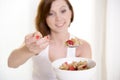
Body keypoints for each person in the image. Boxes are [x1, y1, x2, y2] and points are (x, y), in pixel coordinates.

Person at [8, 0, 92, 80]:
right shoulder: (38, 42)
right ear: (44, 18)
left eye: (63, 11)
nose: (58, 18)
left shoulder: (83, 46)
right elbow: (11, 63)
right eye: (51, 14)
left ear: (71, 12)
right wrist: (29, 50)